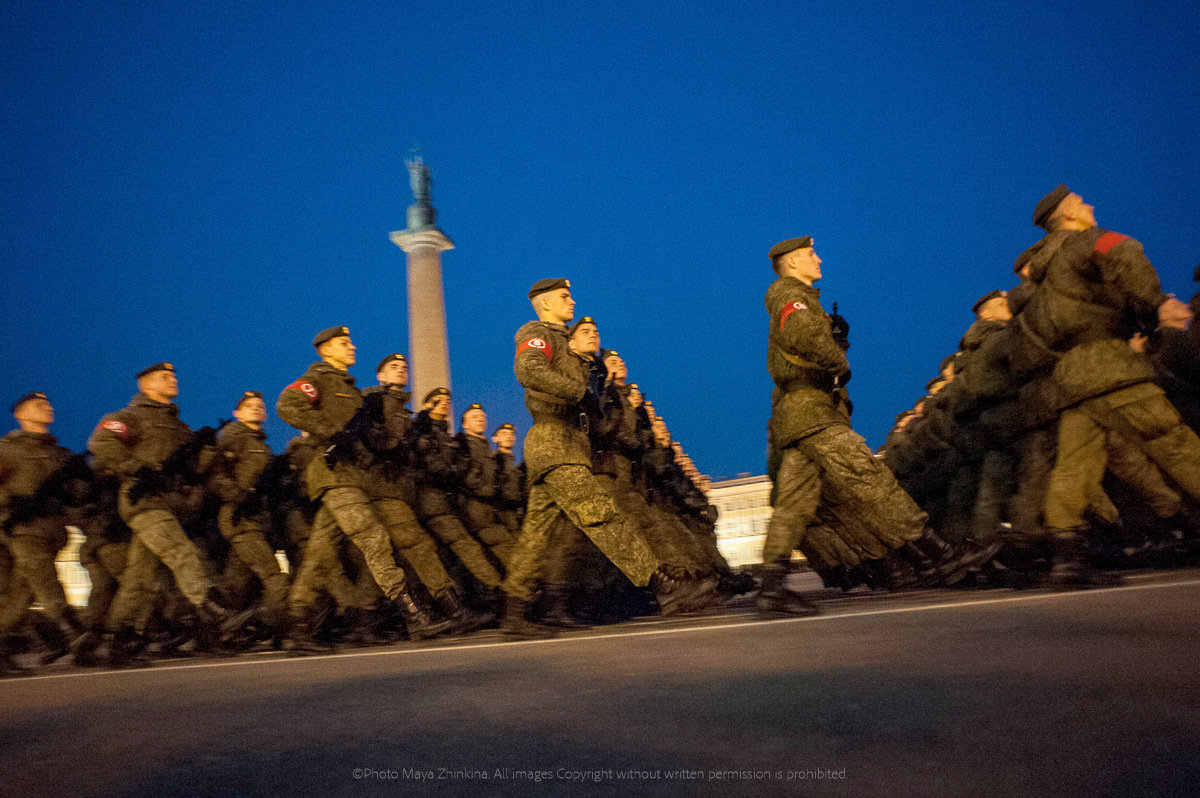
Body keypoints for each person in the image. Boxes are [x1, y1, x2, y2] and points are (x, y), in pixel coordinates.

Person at [761, 237, 997, 615]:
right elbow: (802, 335)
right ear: (791, 263)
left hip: (798, 417)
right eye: (810, 255)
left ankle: (771, 587)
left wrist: (835, 340)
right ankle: (940, 552)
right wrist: (838, 360)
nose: (818, 259)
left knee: (794, 504)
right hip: (813, 413)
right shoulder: (792, 297)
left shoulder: (793, 299)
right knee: (871, 480)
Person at [501, 279, 715, 638]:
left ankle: (515, 611)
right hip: (553, 440)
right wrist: (579, 392)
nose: (571, 302)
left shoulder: (567, 344)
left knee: (537, 535)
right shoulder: (538, 332)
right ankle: (663, 585)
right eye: (564, 297)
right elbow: (529, 371)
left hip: (568, 443)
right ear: (544, 303)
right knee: (601, 515)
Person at [1020, 186, 1200, 585]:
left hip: (1070, 377)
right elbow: (1125, 253)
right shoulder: (1088, 242)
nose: (1091, 206)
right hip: (1108, 365)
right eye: (1082, 203)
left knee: (1074, 464)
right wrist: (1153, 305)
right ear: (1068, 215)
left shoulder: (1040, 282)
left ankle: (1066, 558)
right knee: (1173, 441)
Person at [276, 327, 450, 647]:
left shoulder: (354, 392)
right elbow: (287, 405)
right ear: (326, 350)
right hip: (334, 477)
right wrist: (331, 433)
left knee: (319, 554)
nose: (352, 347)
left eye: (352, 342)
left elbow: (366, 437)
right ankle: (412, 615)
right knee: (374, 538)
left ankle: (297, 627)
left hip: (355, 478)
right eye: (344, 343)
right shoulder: (318, 379)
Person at [87, 363, 236, 665]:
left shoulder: (179, 428)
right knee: (181, 551)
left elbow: (197, 470)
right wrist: (135, 468)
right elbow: (101, 441)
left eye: (174, 376)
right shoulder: (130, 417)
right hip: (144, 503)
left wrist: (210, 451)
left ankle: (119, 641)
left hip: (170, 507)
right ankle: (206, 602)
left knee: (139, 580)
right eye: (165, 377)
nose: (173, 380)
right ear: (145, 385)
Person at [0, 392, 88, 668]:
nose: (47, 408)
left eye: (49, 404)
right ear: (21, 415)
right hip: (21, 530)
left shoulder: (59, 454)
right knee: (43, 576)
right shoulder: (8, 449)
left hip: (51, 532)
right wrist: (12, 503)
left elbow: (77, 496)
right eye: (39, 405)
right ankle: (70, 626)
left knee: (19, 599)